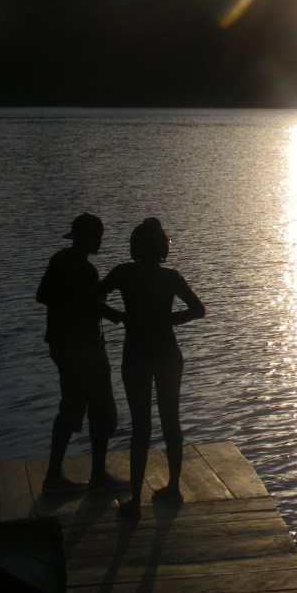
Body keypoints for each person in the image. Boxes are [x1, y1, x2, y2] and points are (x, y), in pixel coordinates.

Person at [97, 218, 206, 519]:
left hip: (136, 355)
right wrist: (169, 321)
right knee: (171, 420)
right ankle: (173, 487)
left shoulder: (124, 273)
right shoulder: (170, 277)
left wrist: (118, 317)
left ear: (135, 247)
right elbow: (199, 310)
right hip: (168, 354)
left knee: (140, 426)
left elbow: (91, 297)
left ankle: (134, 499)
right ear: (162, 249)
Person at [36, 212, 127, 493]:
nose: (100, 241)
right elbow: (91, 305)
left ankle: (53, 477)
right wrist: (121, 317)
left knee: (72, 407)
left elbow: (42, 296)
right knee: (102, 410)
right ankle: (98, 476)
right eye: (97, 236)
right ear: (87, 238)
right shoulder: (87, 271)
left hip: (60, 347)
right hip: (84, 348)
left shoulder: (59, 260)